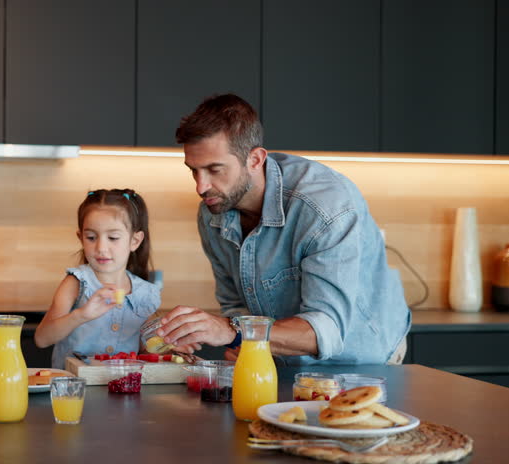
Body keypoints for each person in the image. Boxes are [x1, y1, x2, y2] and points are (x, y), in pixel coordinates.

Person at [155, 94, 410, 365]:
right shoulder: (212, 212)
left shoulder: (323, 206)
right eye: (193, 170)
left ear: (255, 160)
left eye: (214, 170)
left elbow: (326, 331)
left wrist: (232, 331)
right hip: (285, 359)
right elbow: (237, 306)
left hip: (364, 359)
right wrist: (237, 339)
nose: (200, 186)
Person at [34, 189, 161, 369]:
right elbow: (42, 338)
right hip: (75, 390)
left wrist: (168, 345)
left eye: (113, 238)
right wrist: (81, 315)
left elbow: (144, 350)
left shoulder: (145, 293)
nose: (101, 247)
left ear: (135, 240)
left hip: (122, 388)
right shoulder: (76, 282)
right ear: (80, 238)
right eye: (91, 237)